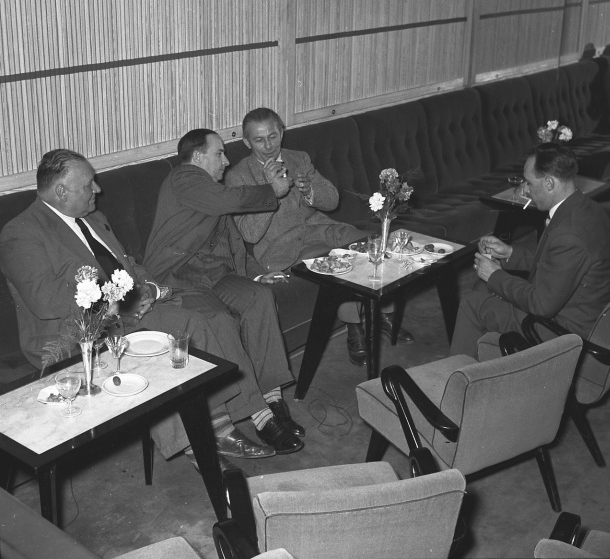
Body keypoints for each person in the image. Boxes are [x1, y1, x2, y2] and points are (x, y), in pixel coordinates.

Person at [0, 149, 266, 471]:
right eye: (88, 184)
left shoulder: (93, 218)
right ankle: (198, 446)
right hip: (78, 332)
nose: (97, 189)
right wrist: (115, 300)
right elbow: (44, 298)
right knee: (156, 355)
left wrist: (149, 288)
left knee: (197, 324)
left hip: (126, 314)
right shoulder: (22, 232)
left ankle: (233, 418)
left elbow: (127, 264)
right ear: (61, 192)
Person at [143, 129, 304, 458]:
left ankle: (272, 396)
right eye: (219, 153)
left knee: (259, 297)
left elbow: (232, 243)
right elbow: (226, 200)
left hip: (215, 275)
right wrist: (271, 190)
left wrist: (255, 273)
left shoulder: (209, 190)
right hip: (180, 278)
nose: (226, 161)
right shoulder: (183, 178)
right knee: (218, 318)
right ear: (198, 156)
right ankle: (260, 415)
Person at [225, 107, 415, 367]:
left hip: (324, 229)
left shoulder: (298, 158)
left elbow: (332, 200)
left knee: (376, 245)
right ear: (246, 142)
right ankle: (355, 328)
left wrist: (310, 192)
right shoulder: (238, 177)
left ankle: (383, 313)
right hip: (282, 247)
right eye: (259, 140)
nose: (268, 146)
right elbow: (249, 233)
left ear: (282, 132)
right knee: (338, 265)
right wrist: (270, 192)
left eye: (273, 136)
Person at [449, 143, 610, 357]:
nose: (525, 189)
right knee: (482, 287)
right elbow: (560, 263)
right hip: (582, 312)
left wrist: (494, 274)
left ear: (549, 183)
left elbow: (541, 305)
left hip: (566, 331)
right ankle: (490, 362)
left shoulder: (570, 234)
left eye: (529, 182)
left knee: (472, 303)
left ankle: (456, 375)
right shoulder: (587, 209)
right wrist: (510, 253)